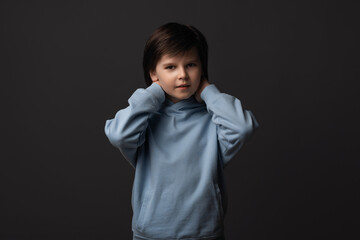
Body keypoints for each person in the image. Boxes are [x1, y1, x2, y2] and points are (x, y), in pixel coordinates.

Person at [104, 22, 259, 240]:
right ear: (153, 73)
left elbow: (242, 127)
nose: (183, 75)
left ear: (202, 69)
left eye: (191, 65)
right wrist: (153, 92)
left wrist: (207, 91)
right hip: (151, 234)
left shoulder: (214, 119)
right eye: (170, 67)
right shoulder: (143, 121)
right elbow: (119, 134)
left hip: (205, 233)